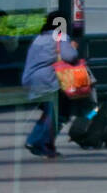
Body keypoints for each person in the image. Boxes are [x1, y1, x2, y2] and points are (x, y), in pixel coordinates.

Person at [21, 11, 79, 159]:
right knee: (59, 114)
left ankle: (43, 144)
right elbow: (70, 56)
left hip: (31, 80)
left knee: (49, 112)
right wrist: (73, 47)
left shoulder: (39, 38)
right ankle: (39, 142)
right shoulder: (59, 36)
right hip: (49, 81)